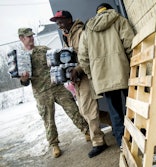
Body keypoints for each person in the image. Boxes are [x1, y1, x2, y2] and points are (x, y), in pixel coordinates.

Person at [17, 28, 89, 158]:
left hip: (57, 87)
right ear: (21, 38)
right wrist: (24, 79)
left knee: (73, 109)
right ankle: (54, 145)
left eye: (32, 36)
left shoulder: (44, 50)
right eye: (28, 37)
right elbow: (24, 82)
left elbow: (58, 62)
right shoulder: (21, 58)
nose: (31, 38)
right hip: (41, 92)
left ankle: (86, 131)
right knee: (48, 120)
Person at [50, 10, 107, 158]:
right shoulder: (66, 35)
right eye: (57, 22)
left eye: (61, 20)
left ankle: (98, 142)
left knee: (88, 110)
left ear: (69, 19)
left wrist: (77, 69)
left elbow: (88, 55)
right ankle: (118, 122)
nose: (59, 24)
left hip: (85, 75)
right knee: (85, 111)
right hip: (76, 79)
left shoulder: (80, 32)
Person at [78, 3, 135, 148]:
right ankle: (138, 136)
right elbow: (130, 44)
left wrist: (93, 75)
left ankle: (123, 143)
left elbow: (83, 58)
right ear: (110, 9)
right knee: (133, 106)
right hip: (124, 71)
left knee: (115, 112)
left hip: (102, 77)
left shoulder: (87, 30)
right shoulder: (119, 20)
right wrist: (134, 66)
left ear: (97, 13)